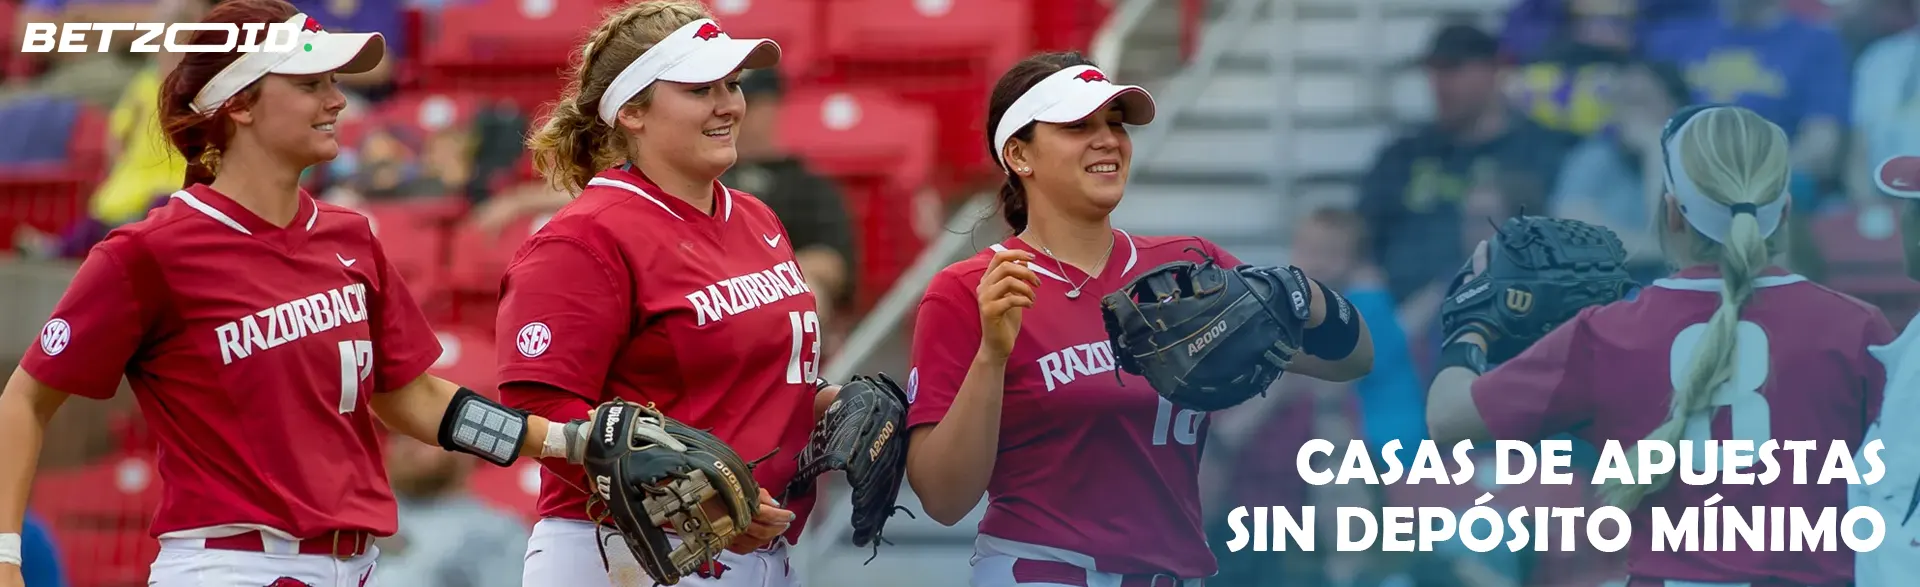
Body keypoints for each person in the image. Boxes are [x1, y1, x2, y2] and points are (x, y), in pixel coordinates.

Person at [0, 2, 599, 585]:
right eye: (311, 83)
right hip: (229, 566)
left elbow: (413, 400)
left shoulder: (351, 236)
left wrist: (567, 442)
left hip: (362, 566)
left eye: (333, 82)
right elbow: (24, 401)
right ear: (238, 104)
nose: (337, 100)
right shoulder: (148, 254)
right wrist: (5, 560)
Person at [903, 50, 1375, 586]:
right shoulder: (972, 289)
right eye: (1079, 125)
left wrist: (1302, 293)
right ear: (1019, 155)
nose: (1107, 139)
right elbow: (943, 498)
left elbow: (1352, 359)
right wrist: (992, 355)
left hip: (1174, 574)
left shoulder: (1186, 267)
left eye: (1115, 123)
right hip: (1042, 572)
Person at [1425, 105, 1893, 586]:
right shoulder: (1857, 327)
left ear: (1671, 212)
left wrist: (1473, 320)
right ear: (1786, 211)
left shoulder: (1609, 332)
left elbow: (1447, 419)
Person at [500, 1, 830, 585]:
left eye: (731, 84)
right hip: (626, 554)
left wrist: (830, 403)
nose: (728, 103)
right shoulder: (585, 238)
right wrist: (688, 498)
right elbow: (539, 412)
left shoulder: (755, 216)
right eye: (700, 88)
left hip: (758, 555)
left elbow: (742, 384)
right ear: (631, 109)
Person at [373, 432, 530, 587]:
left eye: (426, 436)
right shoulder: (362, 511)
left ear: (467, 450)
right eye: (401, 435)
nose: (410, 445)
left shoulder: (499, 531)